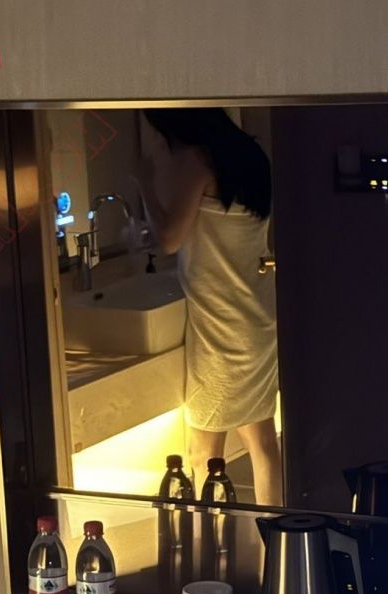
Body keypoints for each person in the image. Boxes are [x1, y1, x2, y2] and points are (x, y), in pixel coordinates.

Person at [138, 107, 283, 506]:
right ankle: (277, 533)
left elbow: (169, 239)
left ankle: (212, 536)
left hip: (222, 320)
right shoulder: (249, 154)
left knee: (203, 452)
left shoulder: (197, 160)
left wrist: (146, 182)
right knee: (262, 439)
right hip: (256, 313)